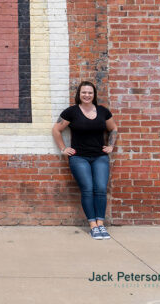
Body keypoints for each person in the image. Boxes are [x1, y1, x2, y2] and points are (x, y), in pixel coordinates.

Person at [52, 81, 118, 240]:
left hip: (99, 157)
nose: (87, 95)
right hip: (79, 157)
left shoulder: (103, 111)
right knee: (88, 188)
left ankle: (101, 224)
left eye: (90, 93)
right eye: (84, 92)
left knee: (101, 188)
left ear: (94, 95)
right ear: (79, 94)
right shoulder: (71, 112)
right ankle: (93, 226)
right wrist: (63, 149)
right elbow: (56, 129)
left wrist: (110, 146)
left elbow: (113, 128)